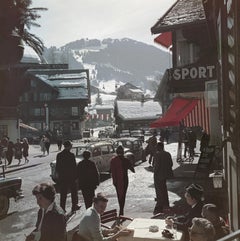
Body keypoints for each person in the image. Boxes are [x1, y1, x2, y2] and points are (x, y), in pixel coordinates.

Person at [56, 140, 80, 213]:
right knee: (74, 192)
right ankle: (74, 206)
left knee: (63, 193)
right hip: (71, 177)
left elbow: (57, 167)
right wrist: (76, 177)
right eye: (71, 145)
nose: (71, 146)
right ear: (69, 146)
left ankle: (62, 208)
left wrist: (59, 175)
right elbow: (74, 167)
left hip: (63, 177)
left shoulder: (59, 155)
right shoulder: (71, 155)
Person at [110, 145, 135, 215]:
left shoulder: (113, 160)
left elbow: (112, 171)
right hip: (124, 179)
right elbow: (133, 170)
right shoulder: (126, 160)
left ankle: (121, 208)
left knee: (119, 194)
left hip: (116, 180)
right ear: (123, 152)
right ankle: (121, 209)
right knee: (123, 194)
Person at [153, 142, 173, 215]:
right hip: (165, 174)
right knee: (164, 188)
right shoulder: (167, 154)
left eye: (156, 147)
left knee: (159, 189)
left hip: (158, 175)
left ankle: (160, 203)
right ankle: (165, 202)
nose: (156, 148)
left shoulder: (157, 154)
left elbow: (157, 166)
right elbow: (171, 164)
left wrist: (155, 172)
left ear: (159, 147)